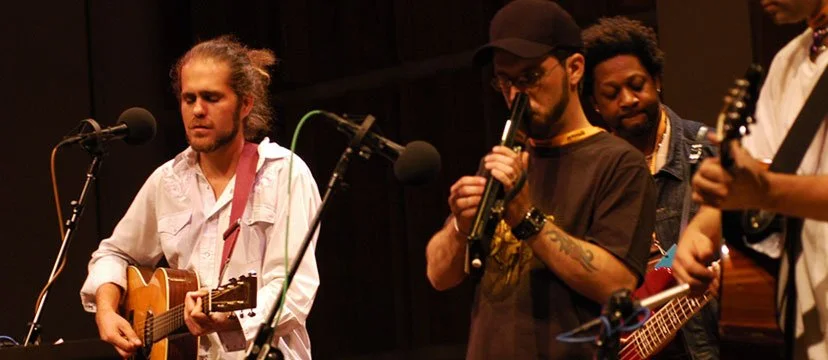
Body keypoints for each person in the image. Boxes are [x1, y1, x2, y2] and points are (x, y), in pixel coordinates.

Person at [425, 1, 656, 358]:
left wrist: (526, 218)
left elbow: (617, 283)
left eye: (530, 77)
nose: (516, 95)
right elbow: (438, 275)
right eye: (505, 82)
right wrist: (459, 226)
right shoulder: (503, 160)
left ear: (574, 68)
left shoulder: (618, 162)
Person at [80, 36, 321, 359]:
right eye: (188, 98)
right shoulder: (167, 181)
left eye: (211, 98)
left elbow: (295, 288)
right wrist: (106, 310)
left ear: (245, 104)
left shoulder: (284, 175)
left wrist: (231, 316)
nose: (197, 110)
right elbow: (114, 253)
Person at [673, 0, 828, 358]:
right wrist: (702, 227)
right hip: (800, 308)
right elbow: (759, 173)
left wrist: (767, 192)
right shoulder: (788, 61)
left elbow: (766, 188)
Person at [582, 16, 719, 360]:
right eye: (611, 94)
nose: (627, 99)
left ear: (657, 81)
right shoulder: (591, 177)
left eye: (637, 85)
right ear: (595, 105)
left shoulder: (711, 151)